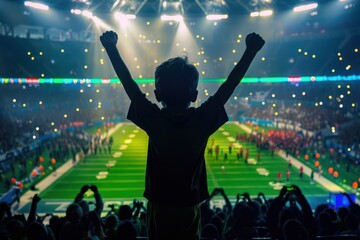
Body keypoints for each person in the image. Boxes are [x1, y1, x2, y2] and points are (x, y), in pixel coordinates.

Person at [100, 30, 264, 240]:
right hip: (188, 205)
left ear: (158, 95)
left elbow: (129, 85)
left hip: (160, 205)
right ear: (194, 95)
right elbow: (228, 87)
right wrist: (250, 52)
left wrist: (111, 48)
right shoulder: (201, 121)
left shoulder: (154, 120)